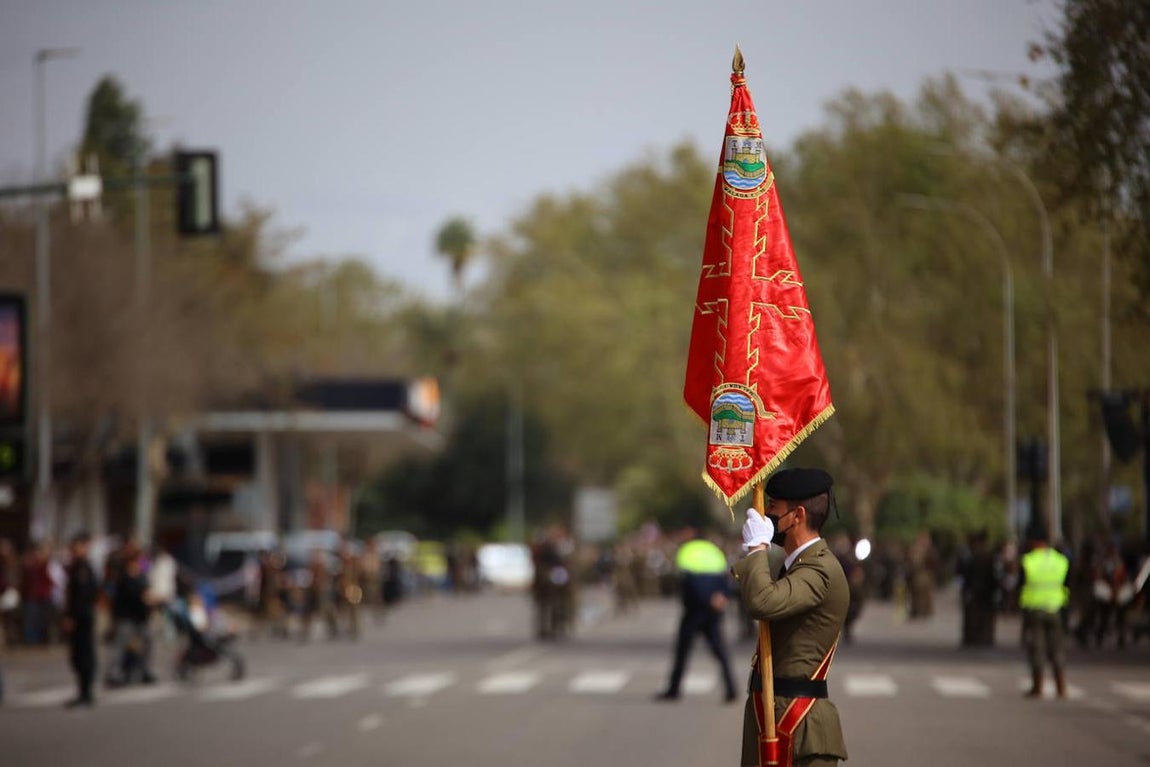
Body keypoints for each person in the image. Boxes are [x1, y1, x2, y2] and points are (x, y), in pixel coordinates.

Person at [733, 467, 849, 767]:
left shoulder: (819, 569)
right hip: (777, 712)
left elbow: (763, 601)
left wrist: (758, 548)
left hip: (799, 725)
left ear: (797, 515)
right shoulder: (798, 564)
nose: (766, 514)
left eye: (773, 506)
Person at [654, 530, 738, 703]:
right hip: (712, 611)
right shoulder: (714, 551)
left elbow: (689, 582)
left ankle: (673, 690)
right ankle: (731, 689)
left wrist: (707, 598)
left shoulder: (686, 552)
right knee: (720, 652)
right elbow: (726, 578)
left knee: (682, 652)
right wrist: (722, 596)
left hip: (694, 611)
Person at [1019, 527, 1070, 699]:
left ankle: (1038, 687)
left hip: (1035, 610)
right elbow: (1068, 584)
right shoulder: (1060, 560)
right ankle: (1061, 687)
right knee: (1057, 649)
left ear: (1034, 542)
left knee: (1037, 648)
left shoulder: (1029, 560)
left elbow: (1021, 585)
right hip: (1056, 609)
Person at [62, 532, 99, 707]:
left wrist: (72, 617)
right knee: (78, 656)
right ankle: (83, 692)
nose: (74, 550)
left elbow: (82, 597)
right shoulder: (77, 567)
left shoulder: (84, 568)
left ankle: (86, 693)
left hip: (82, 618)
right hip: (81, 617)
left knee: (83, 655)